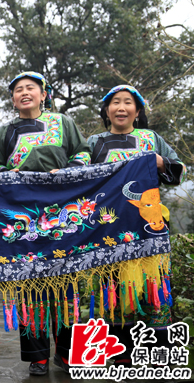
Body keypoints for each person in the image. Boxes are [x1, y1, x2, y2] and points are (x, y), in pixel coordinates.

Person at [0, 71, 91, 376]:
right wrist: (6, 174)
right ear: (13, 99)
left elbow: (82, 152)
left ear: (43, 94)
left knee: (65, 283)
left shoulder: (63, 122)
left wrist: (68, 171)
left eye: (30, 88)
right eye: (18, 90)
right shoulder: (5, 131)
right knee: (30, 283)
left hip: (62, 211)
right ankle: (38, 355)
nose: (24, 93)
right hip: (23, 214)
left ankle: (67, 352)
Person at [88, 84, 186, 365]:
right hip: (108, 230)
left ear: (138, 111)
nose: (121, 108)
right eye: (115, 102)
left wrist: (160, 162)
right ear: (107, 111)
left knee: (154, 289)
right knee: (114, 290)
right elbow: (78, 174)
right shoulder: (94, 143)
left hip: (149, 227)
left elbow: (179, 170)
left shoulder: (151, 138)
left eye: (128, 102)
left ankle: (159, 355)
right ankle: (122, 356)